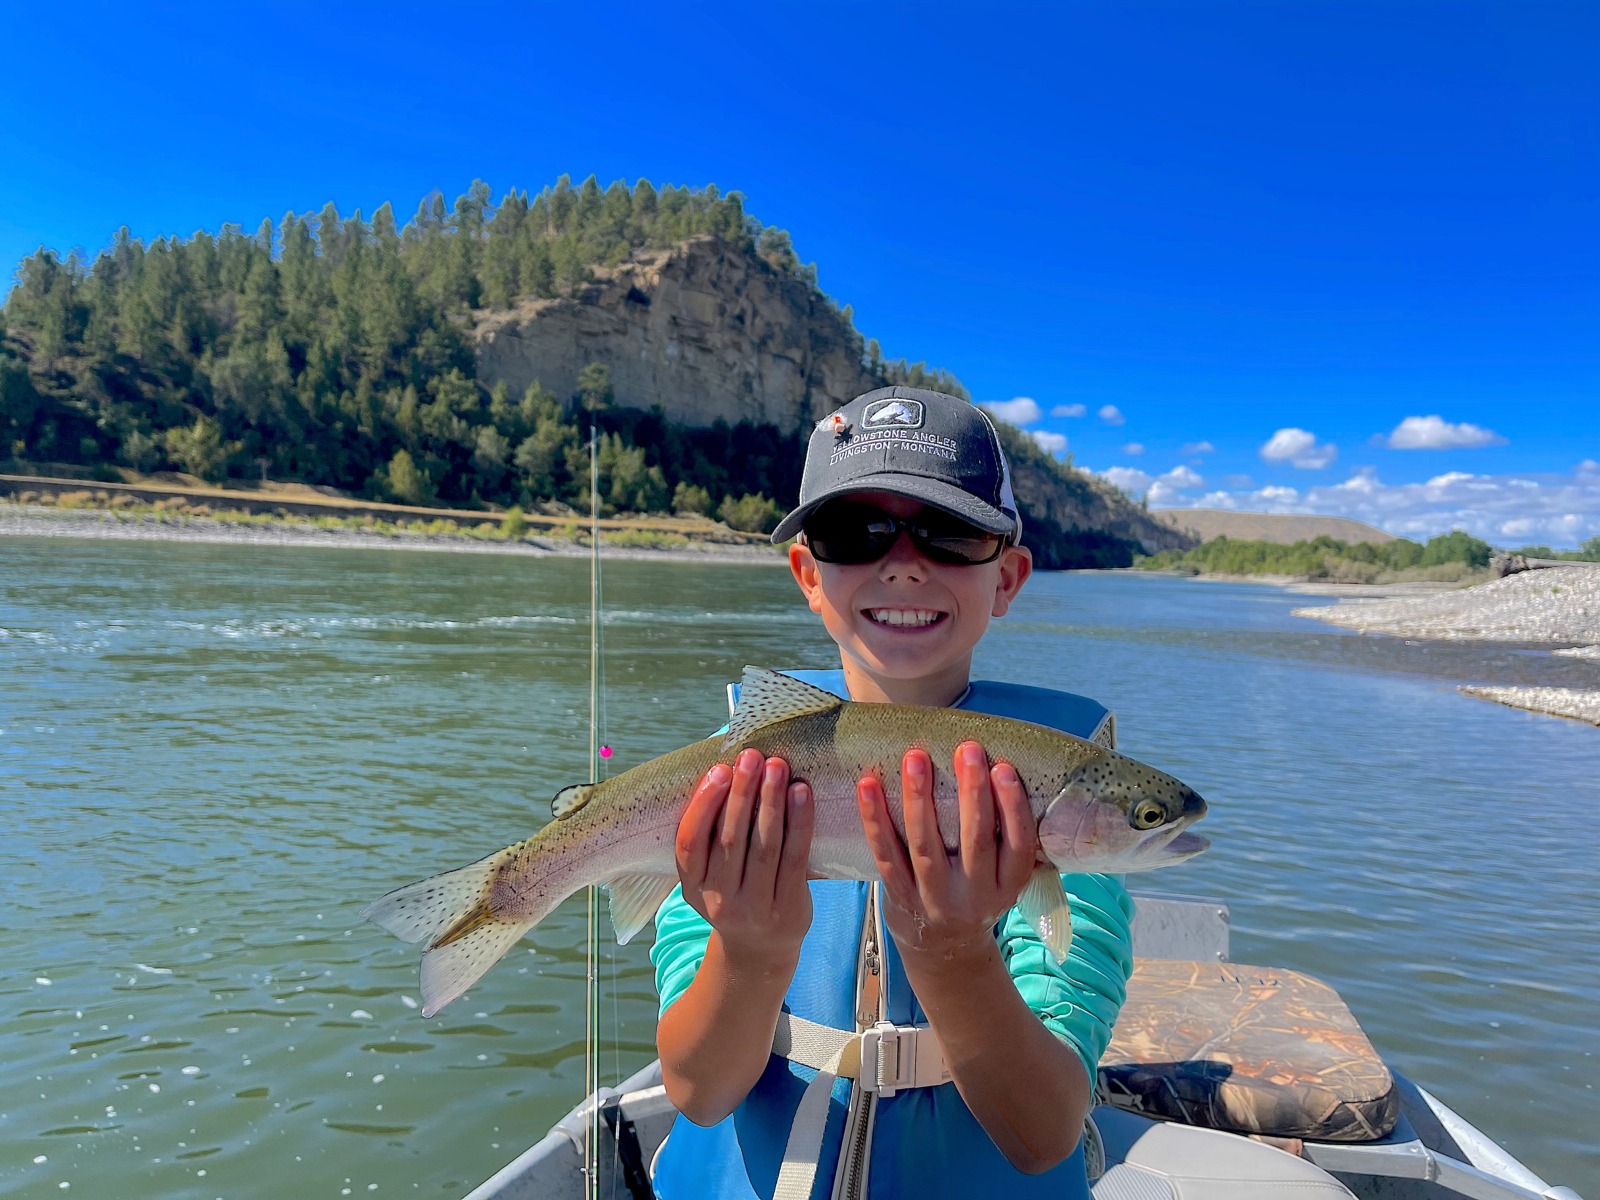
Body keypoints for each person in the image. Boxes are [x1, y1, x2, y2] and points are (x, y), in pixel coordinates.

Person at [649, 386, 1134, 1200]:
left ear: (1007, 577)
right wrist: (751, 949)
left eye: (949, 534)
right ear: (808, 571)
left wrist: (955, 955)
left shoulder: (1058, 788)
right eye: (855, 532)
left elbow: (1043, 1133)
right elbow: (697, 1092)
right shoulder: (732, 783)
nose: (903, 561)